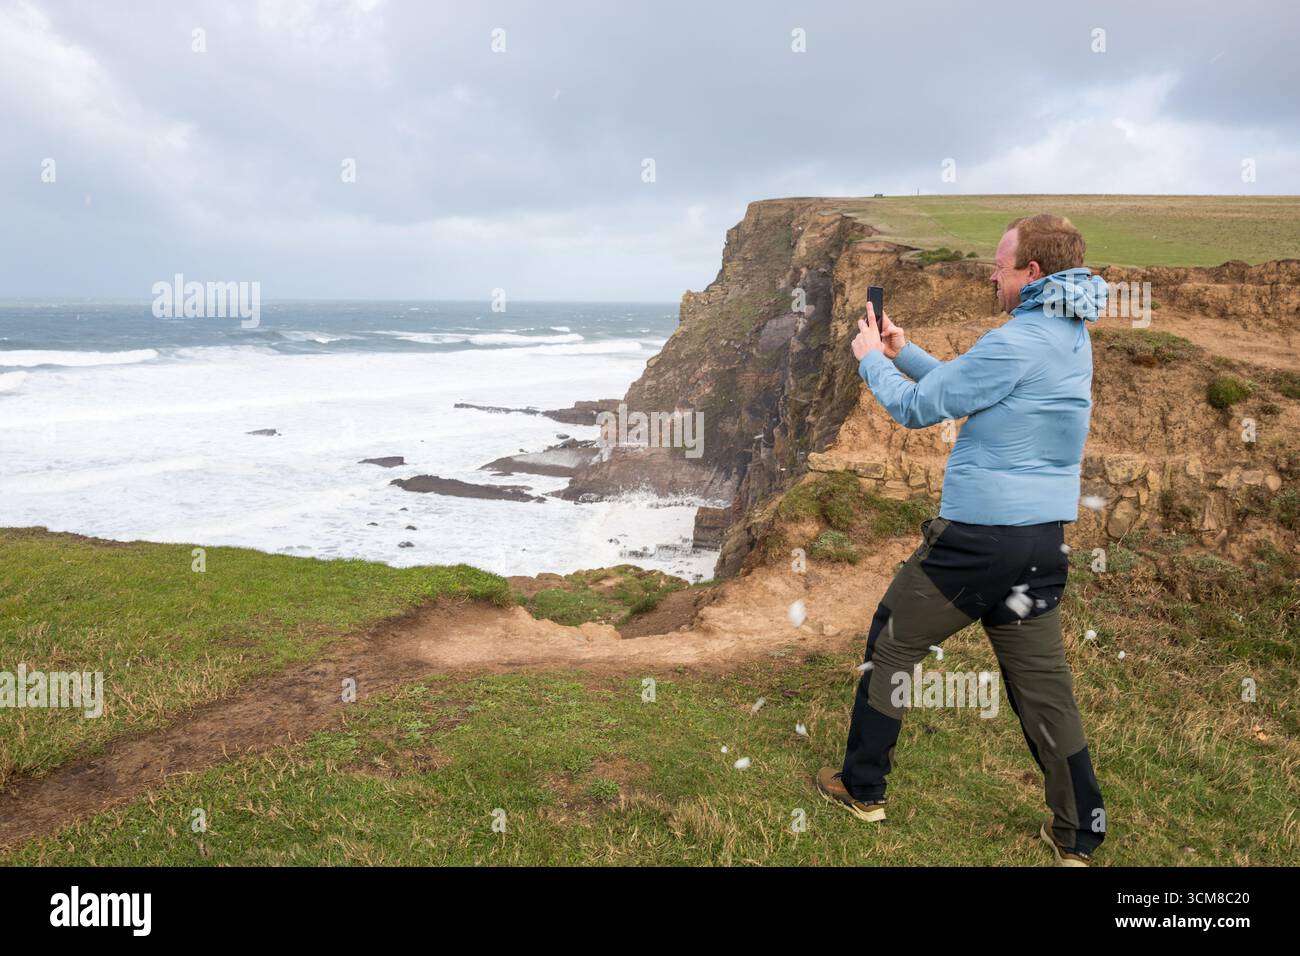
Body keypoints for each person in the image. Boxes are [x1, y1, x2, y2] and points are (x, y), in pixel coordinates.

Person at [814, 214, 1108, 866]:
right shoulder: (1067, 335)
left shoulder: (1018, 339)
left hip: (978, 541)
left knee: (891, 644)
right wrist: (903, 351)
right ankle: (1079, 835)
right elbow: (976, 386)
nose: (992, 273)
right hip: (1039, 545)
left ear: (1033, 273)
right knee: (1044, 690)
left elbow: (922, 409)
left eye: (1002, 264)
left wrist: (869, 363)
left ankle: (862, 788)